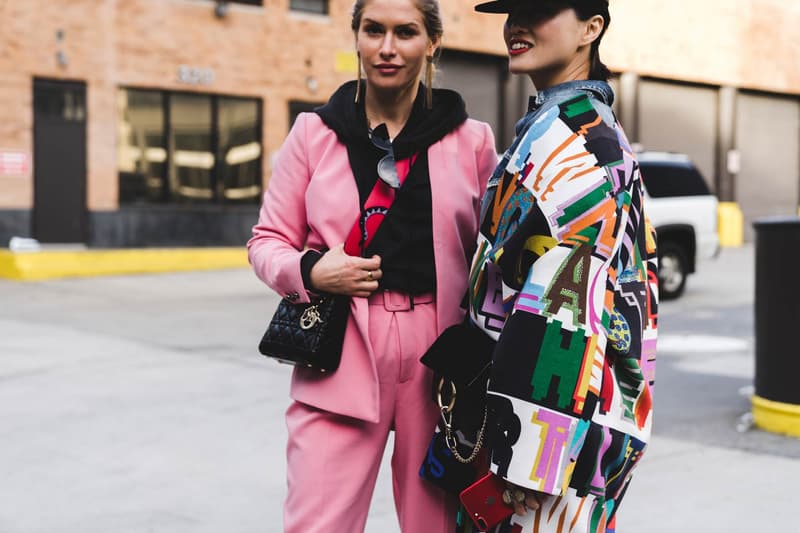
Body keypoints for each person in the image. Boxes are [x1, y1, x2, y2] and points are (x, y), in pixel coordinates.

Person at [247, 0, 498, 531]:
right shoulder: (314, 134)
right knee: (319, 522)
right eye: (373, 30)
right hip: (340, 351)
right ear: (356, 36)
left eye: (405, 32)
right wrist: (312, 272)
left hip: (441, 361)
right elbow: (266, 242)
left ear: (432, 42)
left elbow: (492, 258)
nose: (387, 47)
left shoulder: (472, 140)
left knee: (437, 523)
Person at [461, 1, 659, 531]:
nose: (516, 25)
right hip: (568, 417)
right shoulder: (563, 125)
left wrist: (529, 457)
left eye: (539, 10)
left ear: (591, 29)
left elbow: (565, 303)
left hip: (557, 432)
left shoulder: (583, 141)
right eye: (510, 11)